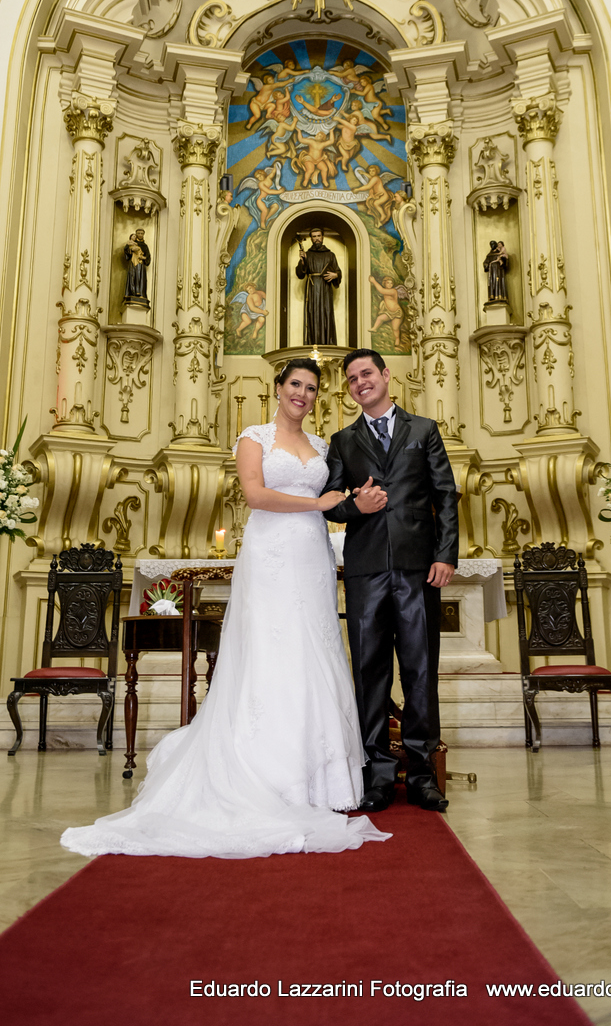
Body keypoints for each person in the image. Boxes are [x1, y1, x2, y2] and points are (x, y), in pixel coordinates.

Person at [61, 359, 389, 859]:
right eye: (295, 384)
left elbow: (337, 498)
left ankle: (322, 784)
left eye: (312, 388)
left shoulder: (324, 446)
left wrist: (351, 503)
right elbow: (256, 495)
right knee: (269, 654)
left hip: (312, 559)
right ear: (277, 389)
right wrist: (319, 505)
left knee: (312, 653)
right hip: (270, 555)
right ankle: (265, 774)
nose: (303, 393)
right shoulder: (252, 437)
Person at [321, 349, 459, 813]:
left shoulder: (424, 430)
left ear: (384, 375)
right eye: (352, 379)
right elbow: (330, 503)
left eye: (367, 373)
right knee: (370, 673)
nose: (360, 382)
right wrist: (354, 506)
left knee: (421, 672)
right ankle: (377, 774)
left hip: (419, 568)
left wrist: (446, 555)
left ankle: (422, 775)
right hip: (365, 572)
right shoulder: (342, 441)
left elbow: (445, 494)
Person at [296, 227, 341, 346]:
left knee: (326, 312)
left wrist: (336, 275)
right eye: (314, 236)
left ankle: (328, 343)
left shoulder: (330, 255)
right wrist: (302, 261)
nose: (316, 239)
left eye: (318, 236)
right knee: (312, 313)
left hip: (325, 288)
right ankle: (312, 343)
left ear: (322, 237)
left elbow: (337, 271)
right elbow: (300, 274)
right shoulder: (307, 254)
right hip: (312, 287)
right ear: (311, 238)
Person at [123, 228, 151, 303]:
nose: (140, 235)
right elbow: (126, 250)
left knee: (140, 279)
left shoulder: (145, 246)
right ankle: (132, 292)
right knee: (132, 277)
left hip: (141, 265)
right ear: (136, 234)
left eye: (142, 233)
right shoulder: (132, 243)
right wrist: (131, 250)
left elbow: (148, 257)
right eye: (138, 233)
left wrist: (144, 258)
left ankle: (141, 293)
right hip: (133, 263)